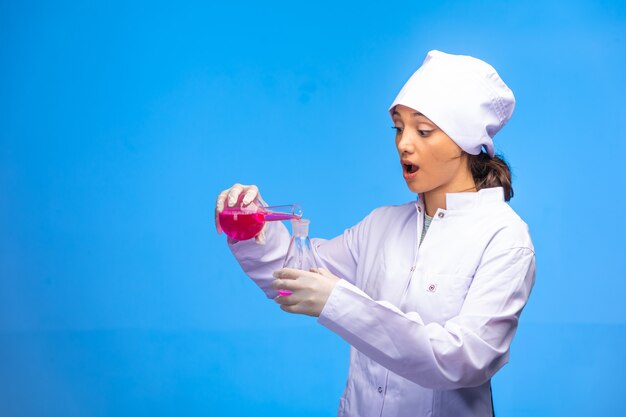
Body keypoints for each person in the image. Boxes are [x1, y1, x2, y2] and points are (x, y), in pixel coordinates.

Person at [214, 49, 536, 417]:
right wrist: (250, 225)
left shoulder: (504, 237)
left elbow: (464, 359)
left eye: (423, 130)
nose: (403, 143)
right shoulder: (381, 225)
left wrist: (340, 303)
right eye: (398, 127)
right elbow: (291, 276)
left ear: (465, 142)